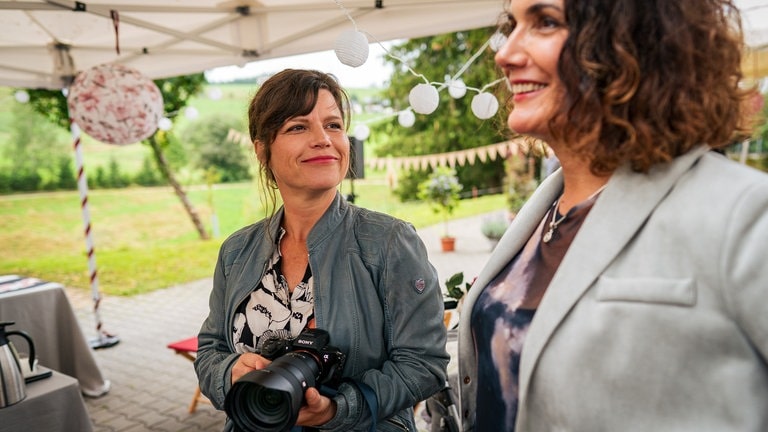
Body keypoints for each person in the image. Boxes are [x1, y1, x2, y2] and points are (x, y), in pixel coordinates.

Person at [456, 0, 768, 431]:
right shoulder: (541, 212)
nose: (504, 53)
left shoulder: (746, 212)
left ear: (633, 41)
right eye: (512, 26)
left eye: (545, 22)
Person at [195, 69, 449, 431]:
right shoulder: (237, 250)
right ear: (263, 150)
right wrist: (230, 371)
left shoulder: (389, 242)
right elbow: (209, 351)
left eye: (333, 124)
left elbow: (423, 365)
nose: (323, 139)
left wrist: (337, 409)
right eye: (299, 127)